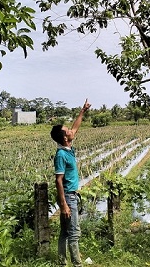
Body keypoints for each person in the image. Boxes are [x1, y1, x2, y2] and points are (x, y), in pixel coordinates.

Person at [51, 99, 91, 267]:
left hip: (70, 196)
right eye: (67, 130)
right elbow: (58, 180)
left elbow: (75, 127)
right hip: (68, 197)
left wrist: (83, 111)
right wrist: (64, 204)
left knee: (65, 232)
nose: (71, 130)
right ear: (65, 138)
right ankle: (77, 264)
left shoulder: (67, 148)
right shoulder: (61, 155)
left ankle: (62, 263)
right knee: (73, 233)